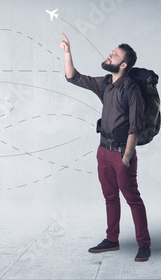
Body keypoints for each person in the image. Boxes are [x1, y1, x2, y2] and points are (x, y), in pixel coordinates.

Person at [59, 32, 151, 262]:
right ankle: (112, 240)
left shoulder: (132, 90)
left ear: (123, 64)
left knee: (133, 199)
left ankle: (144, 244)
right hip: (103, 152)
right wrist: (67, 53)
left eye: (114, 54)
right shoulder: (105, 83)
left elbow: (135, 129)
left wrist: (127, 157)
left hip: (122, 154)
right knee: (110, 197)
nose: (109, 55)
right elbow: (73, 77)